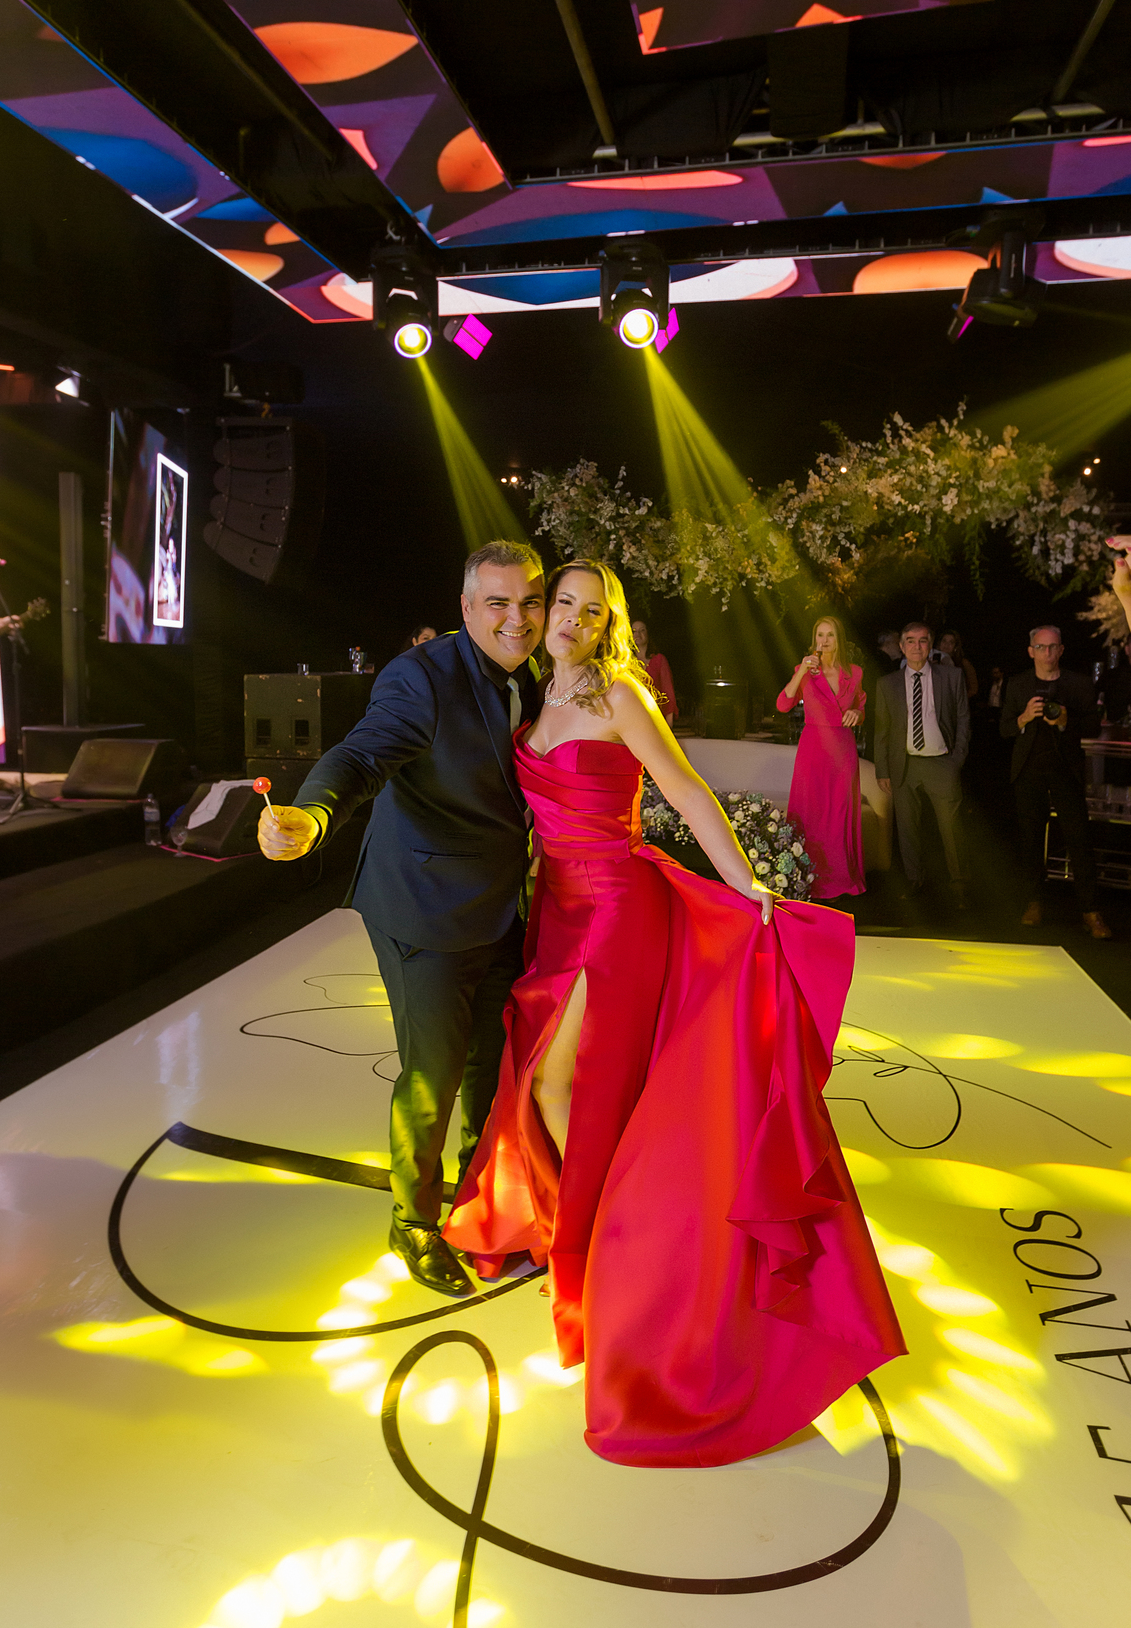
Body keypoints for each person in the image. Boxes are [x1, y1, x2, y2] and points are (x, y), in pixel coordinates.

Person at [445, 560, 905, 1469]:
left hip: (616, 909)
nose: (571, 619)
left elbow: (687, 792)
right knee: (571, 1086)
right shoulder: (533, 694)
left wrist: (749, 885)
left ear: (608, 622)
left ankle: (617, 1250)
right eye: (561, 604)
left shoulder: (621, 694)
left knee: (560, 1085)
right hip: (557, 909)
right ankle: (598, 1235)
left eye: (590, 610)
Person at [257, 541, 545, 1297]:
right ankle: (412, 1221)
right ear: (466, 608)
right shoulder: (421, 678)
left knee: (493, 1063)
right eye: (497, 603)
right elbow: (359, 757)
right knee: (432, 1073)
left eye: (530, 602)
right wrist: (314, 816)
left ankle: (482, 1198)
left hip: (502, 903)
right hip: (424, 905)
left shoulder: (530, 671)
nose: (517, 619)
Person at [1001, 625, 1110, 939]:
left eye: (1052, 647)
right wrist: (1024, 717)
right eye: (1041, 647)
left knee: (1079, 839)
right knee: (1031, 840)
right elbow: (1005, 729)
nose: (1047, 653)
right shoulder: (1018, 684)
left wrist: (1065, 721)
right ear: (1030, 651)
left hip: (1066, 770)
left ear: (1061, 650)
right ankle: (1033, 902)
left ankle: (1090, 910)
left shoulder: (1078, 683)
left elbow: (1093, 726)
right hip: (1028, 770)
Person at [874, 621, 970, 905]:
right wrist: (882, 770)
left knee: (951, 828)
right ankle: (914, 881)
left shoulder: (951, 676)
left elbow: (963, 719)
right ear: (902, 647)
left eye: (923, 641)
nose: (917, 647)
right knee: (907, 828)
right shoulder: (887, 683)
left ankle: (959, 883)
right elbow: (881, 730)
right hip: (904, 764)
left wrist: (956, 760)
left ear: (931, 645)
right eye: (911, 641)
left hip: (941, 762)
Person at [775, 616, 865, 898]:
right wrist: (802, 670)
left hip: (842, 750)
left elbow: (860, 707)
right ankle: (806, 877)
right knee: (810, 813)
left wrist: (857, 713)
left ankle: (839, 878)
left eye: (830, 635)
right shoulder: (804, 671)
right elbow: (783, 704)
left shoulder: (855, 673)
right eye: (820, 635)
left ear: (839, 640)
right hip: (813, 748)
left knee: (839, 813)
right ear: (814, 640)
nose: (824, 641)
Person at [630, 618, 677, 724]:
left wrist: (669, 724)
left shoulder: (659, 660)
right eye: (634, 631)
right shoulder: (625, 662)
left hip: (655, 718)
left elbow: (668, 691)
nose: (637, 634)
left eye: (642, 630)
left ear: (648, 633)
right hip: (631, 718)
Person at [936, 629, 978, 700]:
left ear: (955, 646)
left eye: (951, 642)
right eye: (944, 641)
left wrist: (959, 700)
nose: (946, 645)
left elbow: (973, 688)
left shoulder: (963, 663)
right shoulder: (933, 661)